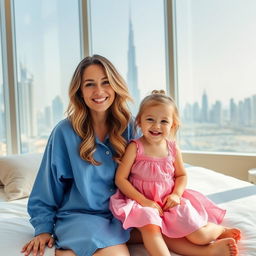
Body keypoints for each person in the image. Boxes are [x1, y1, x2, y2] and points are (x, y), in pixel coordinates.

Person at [21, 55, 238, 256]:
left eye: (105, 82)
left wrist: (171, 198)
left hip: (127, 211)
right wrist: (43, 228)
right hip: (85, 216)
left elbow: (159, 164)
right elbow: (46, 188)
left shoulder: (132, 126)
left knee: (163, 227)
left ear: (115, 85)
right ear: (80, 91)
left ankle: (208, 250)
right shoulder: (65, 133)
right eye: (90, 84)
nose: (99, 91)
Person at [110, 90, 240, 256]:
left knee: (199, 236)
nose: (156, 126)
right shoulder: (135, 147)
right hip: (142, 203)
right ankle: (206, 252)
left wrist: (176, 195)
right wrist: (144, 201)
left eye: (164, 121)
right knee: (151, 229)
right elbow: (120, 179)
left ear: (172, 125)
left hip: (168, 201)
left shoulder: (172, 148)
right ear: (139, 122)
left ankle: (218, 231)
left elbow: (181, 175)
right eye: (150, 119)